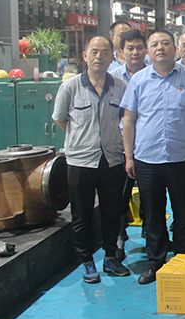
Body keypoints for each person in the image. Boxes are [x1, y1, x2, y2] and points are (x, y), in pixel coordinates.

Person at [120, 29, 185, 284]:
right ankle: (155, 262)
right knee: (153, 214)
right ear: (148, 51)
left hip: (182, 157)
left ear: (175, 48)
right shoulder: (138, 80)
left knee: (184, 212)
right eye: (155, 44)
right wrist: (129, 157)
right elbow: (129, 120)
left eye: (166, 43)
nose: (160, 48)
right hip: (147, 158)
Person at [52, 36, 130, 283]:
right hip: (80, 162)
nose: (99, 56)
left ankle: (110, 257)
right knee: (81, 215)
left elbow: (126, 120)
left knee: (111, 212)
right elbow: (60, 118)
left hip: (112, 159)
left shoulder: (120, 86)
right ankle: (86, 261)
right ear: (84, 56)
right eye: (94, 52)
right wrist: (81, 139)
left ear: (112, 57)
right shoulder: (70, 87)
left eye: (105, 52)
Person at [110, 28, 149, 260]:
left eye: (139, 48)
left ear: (146, 50)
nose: (135, 52)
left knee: (150, 194)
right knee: (120, 194)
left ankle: (150, 232)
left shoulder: (155, 73)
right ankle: (119, 235)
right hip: (119, 146)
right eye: (130, 48)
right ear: (121, 51)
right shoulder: (113, 78)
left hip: (147, 146)